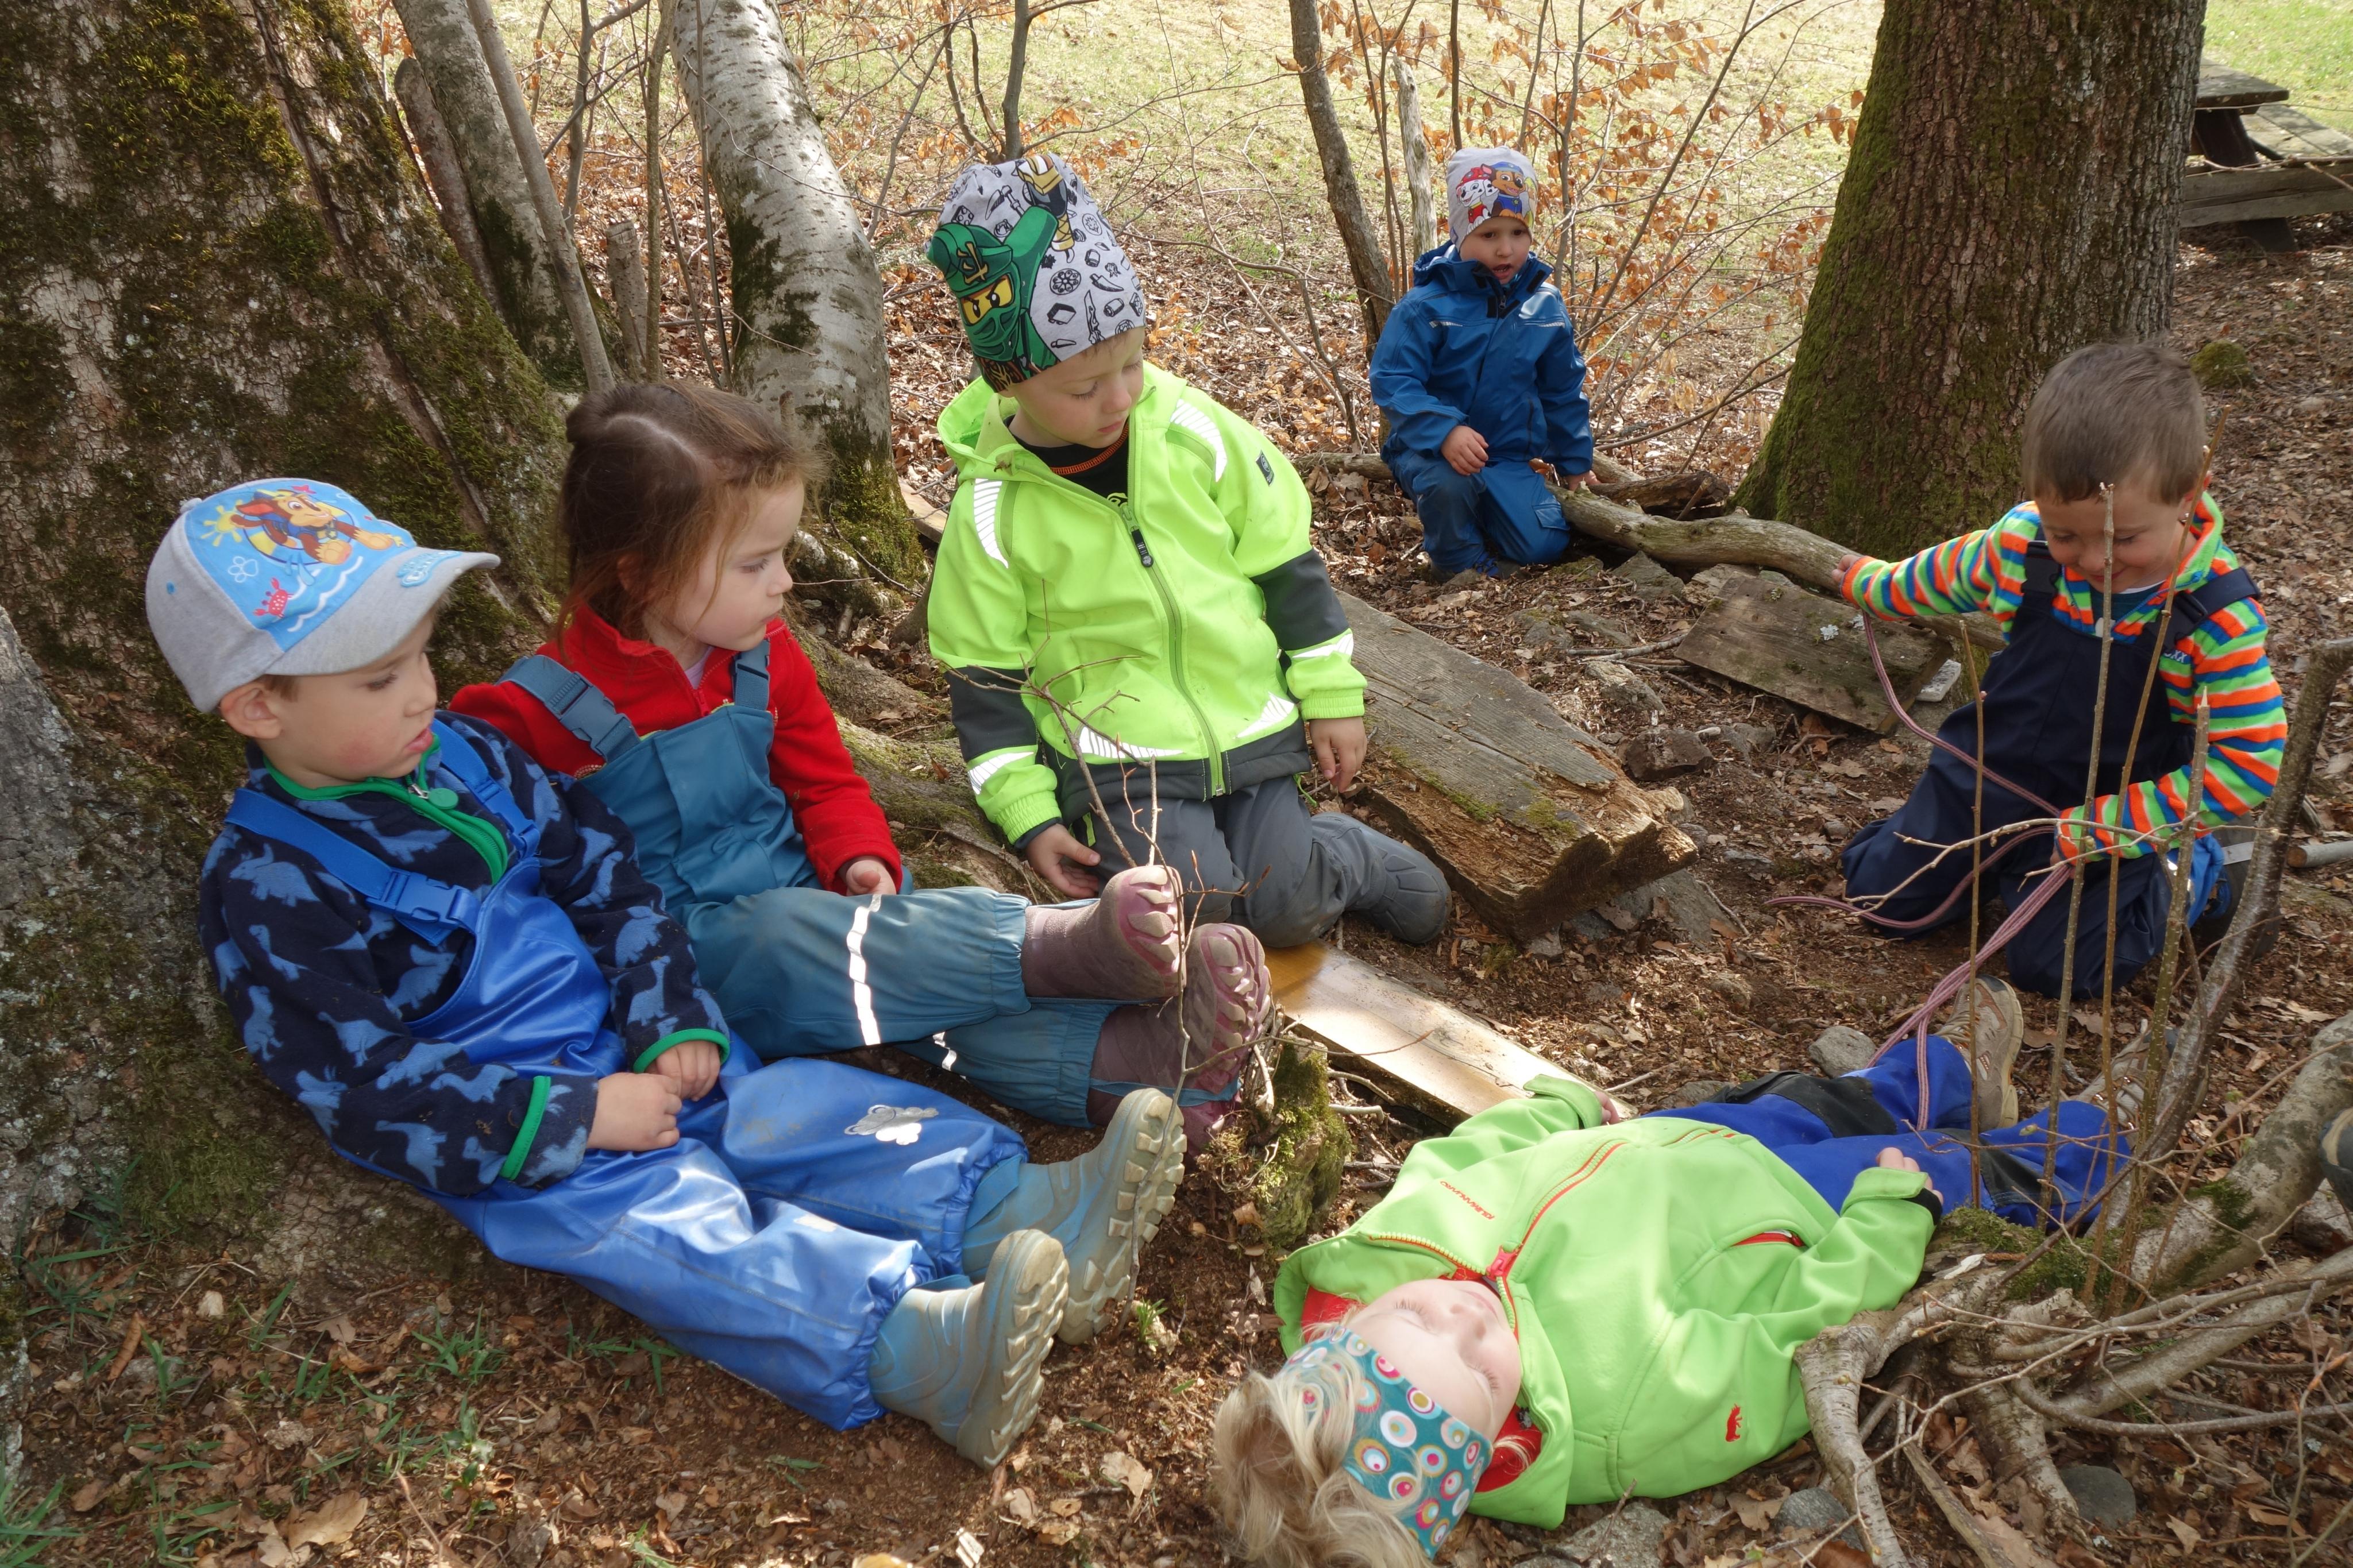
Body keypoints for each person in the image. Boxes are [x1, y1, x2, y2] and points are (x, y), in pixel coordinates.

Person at [151, 478, 1193, 1467]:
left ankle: (1011, 1208)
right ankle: (920, 1348)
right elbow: (361, 1083)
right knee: (674, 1231)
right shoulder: (269, 885)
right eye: (381, 679)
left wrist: (668, 1013)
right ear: (258, 708)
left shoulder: (466, 754)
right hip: (522, 1134)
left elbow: (606, 874)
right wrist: (576, 1116)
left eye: (420, 657)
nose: (424, 690)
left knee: (797, 1109)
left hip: (631, 1032)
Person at [453, 384, 1270, 1153]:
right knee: (786, 939)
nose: (784, 582)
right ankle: (1056, 944)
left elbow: (824, 779)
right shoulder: (532, 712)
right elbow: (504, 876)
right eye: (754, 564)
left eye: (780, 554)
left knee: (920, 983)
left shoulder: (763, 654)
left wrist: (858, 856)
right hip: (689, 956)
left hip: (813, 898)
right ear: (641, 574)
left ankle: (1138, 1065)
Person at [1209, 977, 2134, 1564]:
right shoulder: (1623, 1420)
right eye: (1485, 1375)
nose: (1469, 1318)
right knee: (1962, 1176)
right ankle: (2101, 1140)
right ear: (1496, 1447)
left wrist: (1556, 1111)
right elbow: (1783, 1356)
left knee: (1829, 1097)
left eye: (1417, 1319)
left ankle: (1952, 1073)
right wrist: (1883, 1228)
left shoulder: (1380, 1255)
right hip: (1800, 1214)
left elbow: (1459, 1159)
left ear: (1350, 1324)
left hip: (1686, 1139)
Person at [921, 152, 1451, 952]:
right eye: (1084, 388)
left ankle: (1343, 853)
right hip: (1118, 758)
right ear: (1009, 381)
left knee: (1286, 907)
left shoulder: (1192, 431)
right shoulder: (993, 508)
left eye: (1134, 363)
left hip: (1247, 720)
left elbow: (1286, 566)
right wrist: (1026, 813)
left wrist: (1331, 696)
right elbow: (983, 676)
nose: (1120, 397)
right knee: (1195, 907)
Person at [1838, 342, 2284, 999]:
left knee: (2060, 968)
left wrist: (2109, 828)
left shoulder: (2212, 617)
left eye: (2124, 538)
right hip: (1990, 769)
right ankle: (1983, 860)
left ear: (2189, 496)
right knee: (1879, 899)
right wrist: (1870, 584)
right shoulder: (2024, 544)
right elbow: (1940, 575)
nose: (2095, 561)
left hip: (2117, 811)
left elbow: (2247, 762)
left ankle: (2202, 873)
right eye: (2067, 535)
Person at [1368, 147, 1594, 580]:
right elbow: (1394, 380)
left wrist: (1575, 463)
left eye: (1518, 233)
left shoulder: (1545, 306)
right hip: (1429, 450)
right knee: (1449, 485)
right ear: (1459, 233)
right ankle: (1456, 562)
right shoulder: (1427, 306)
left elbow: (1562, 391)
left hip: (1503, 455)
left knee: (1544, 544)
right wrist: (1445, 430)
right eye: (1489, 235)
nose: (1506, 249)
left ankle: (1485, 516)